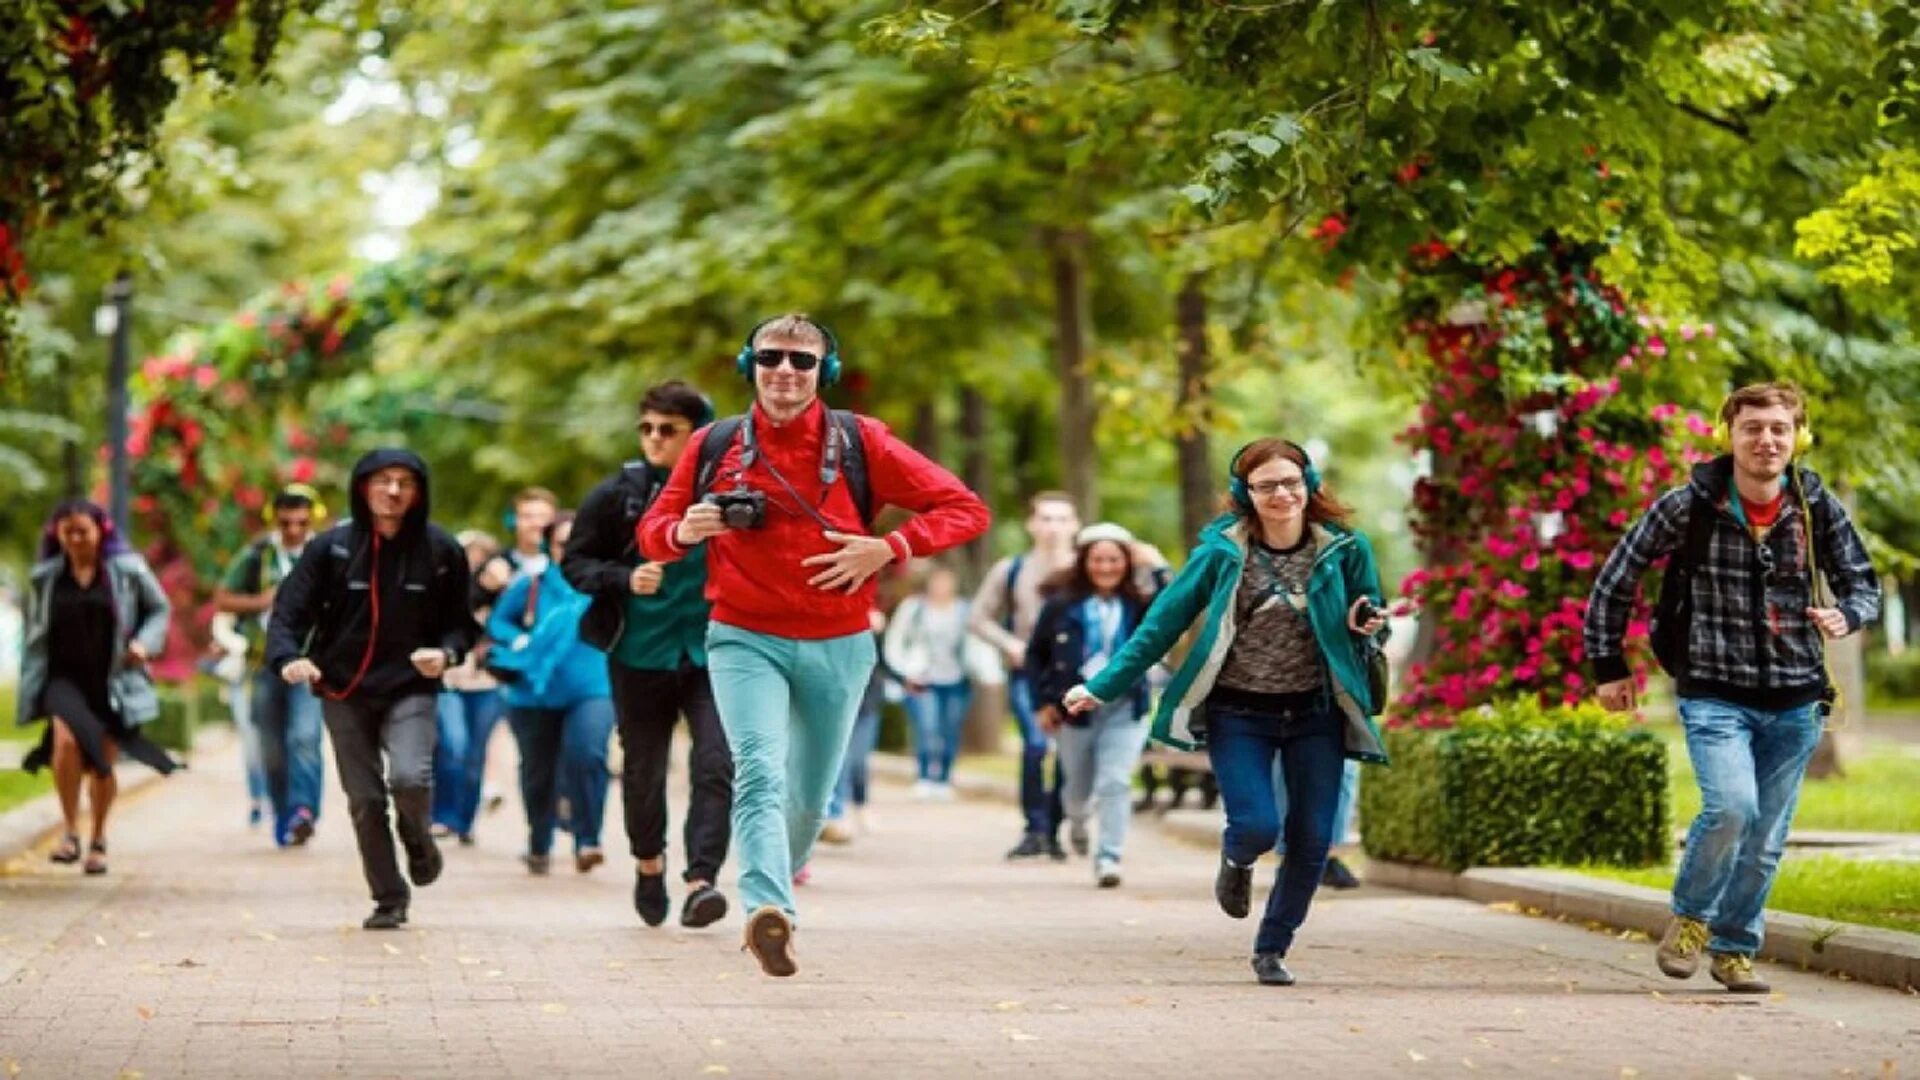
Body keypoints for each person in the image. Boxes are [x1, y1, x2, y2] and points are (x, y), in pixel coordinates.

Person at [639, 313, 990, 976]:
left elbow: (965, 507)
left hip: (841, 641)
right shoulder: (715, 443)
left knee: (809, 797)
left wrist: (890, 546)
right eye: (772, 356)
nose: (786, 371)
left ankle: (785, 867)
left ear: (823, 372)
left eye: (803, 361)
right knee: (760, 769)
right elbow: (653, 534)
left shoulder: (862, 441)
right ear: (751, 364)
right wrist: (685, 529)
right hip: (744, 635)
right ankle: (770, 912)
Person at [1586, 382, 1880, 994]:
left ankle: (1734, 949)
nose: (1766, 440)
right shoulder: (1686, 505)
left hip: (1796, 699)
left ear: (1797, 436)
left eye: (1778, 428)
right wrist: (1608, 666)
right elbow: (1616, 578)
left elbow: (1863, 585)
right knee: (1731, 809)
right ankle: (1691, 918)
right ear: (1729, 433)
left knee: (1767, 839)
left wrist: (1845, 615)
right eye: (1752, 428)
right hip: (1714, 691)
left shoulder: (1817, 507)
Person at [1064, 439, 1389, 987]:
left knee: (1312, 838)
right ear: (1247, 494)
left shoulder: (1346, 548)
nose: (1282, 494)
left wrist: (1370, 623)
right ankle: (1237, 859)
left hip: (1317, 710)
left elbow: (1371, 612)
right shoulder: (1221, 553)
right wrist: (1102, 686)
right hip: (1240, 711)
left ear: (1309, 484)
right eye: (1267, 486)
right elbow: (1160, 626)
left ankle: (1272, 948)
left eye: (1291, 482)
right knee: (1257, 824)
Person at [266, 449, 479, 930]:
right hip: (344, 690)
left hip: (410, 688)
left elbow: (461, 627)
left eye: (405, 481)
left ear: (419, 491)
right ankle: (388, 896)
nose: (393, 490)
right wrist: (288, 659)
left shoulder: (441, 550)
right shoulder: (331, 549)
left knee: (409, 779)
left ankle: (419, 839)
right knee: (364, 800)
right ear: (363, 487)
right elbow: (288, 613)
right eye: (383, 480)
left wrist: (444, 654)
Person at [562, 380, 732, 929]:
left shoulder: (731, 491)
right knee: (643, 770)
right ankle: (649, 864)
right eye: (647, 428)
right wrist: (623, 577)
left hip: (712, 651)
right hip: (638, 654)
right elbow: (576, 563)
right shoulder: (618, 495)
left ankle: (701, 880)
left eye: (668, 429)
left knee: (717, 763)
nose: (654, 439)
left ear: (698, 435)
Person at [17, 500, 180, 875]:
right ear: (57, 534)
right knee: (67, 743)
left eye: (83, 531)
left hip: (111, 680)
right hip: (62, 679)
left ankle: (99, 838)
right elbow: (35, 630)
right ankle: (71, 831)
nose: (76, 539)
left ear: (100, 531)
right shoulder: (46, 577)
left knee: (102, 761)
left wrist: (144, 643)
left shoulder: (127, 569)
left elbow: (159, 608)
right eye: (67, 532)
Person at [1026, 523, 1157, 888]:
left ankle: (1109, 856)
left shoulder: (1140, 604)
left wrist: (1157, 563)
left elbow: (1179, 598)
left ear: (1126, 563)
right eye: (1098, 559)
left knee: (1115, 781)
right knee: (1076, 792)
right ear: (1084, 562)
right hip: (1075, 709)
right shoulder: (1061, 605)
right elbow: (1036, 655)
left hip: (1125, 707)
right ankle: (1078, 822)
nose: (1105, 567)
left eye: (1114, 559)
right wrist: (1042, 704)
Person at [491, 512, 617, 875]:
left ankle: (587, 839)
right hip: (534, 691)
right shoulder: (532, 584)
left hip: (592, 686)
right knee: (538, 771)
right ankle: (539, 840)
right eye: (563, 542)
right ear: (550, 546)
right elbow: (500, 620)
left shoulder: (603, 584)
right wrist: (520, 640)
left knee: (589, 754)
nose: (572, 549)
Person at [213, 484, 329, 847]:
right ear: (274, 520)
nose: (293, 530)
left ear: (312, 519)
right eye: (286, 522)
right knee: (272, 748)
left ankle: (304, 812)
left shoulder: (325, 553)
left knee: (305, 737)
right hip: (265, 663)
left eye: (301, 522)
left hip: (310, 661)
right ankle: (283, 815)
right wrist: (261, 601)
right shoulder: (258, 555)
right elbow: (223, 599)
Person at [971, 493, 1080, 860]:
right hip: (1027, 674)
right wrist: (1009, 645)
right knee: (1035, 747)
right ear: (1031, 525)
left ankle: (1054, 829)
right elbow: (978, 618)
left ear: (1075, 525)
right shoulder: (1011, 569)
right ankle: (1033, 828)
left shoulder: (1088, 568)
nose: (1053, 527)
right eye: (1046, 519)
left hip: (1075, 678)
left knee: (1069, 753)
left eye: (1062, 519)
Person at [432, 530, 506, 845]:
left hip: (487, 682)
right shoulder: (445, 590)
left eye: (481, 556)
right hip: (449, 680)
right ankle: (441, 816)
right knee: (452, 746)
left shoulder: (508, 590)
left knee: (475, 756)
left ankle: (465, 821)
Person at [883, 563, 974, 800]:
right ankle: (924, 777)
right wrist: (904, 672)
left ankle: (944, 779)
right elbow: (895, 641)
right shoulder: (914, 608)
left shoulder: (964, 610)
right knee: (926, 727)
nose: (942, 587)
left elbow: (977, 645)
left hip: (957, 679)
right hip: (922, 678)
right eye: (938, 581)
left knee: (950, 729)